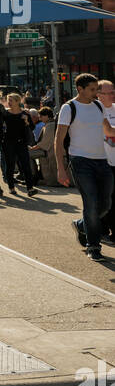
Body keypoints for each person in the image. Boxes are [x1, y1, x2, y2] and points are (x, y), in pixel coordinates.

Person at [55, 73, 115, 261]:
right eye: (92, 89)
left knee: (106, 204)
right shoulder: (69, 108)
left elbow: (107, 130)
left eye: (97, 89)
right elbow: (59, 140)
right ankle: (93, 247)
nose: (96, 93)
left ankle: (82, 225)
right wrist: (61, 168)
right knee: (91, 204)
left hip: (102, 161)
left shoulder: (98, 106)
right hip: (81, 161)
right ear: (80, 89)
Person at [1, 93, 38, 197]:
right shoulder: (5, 114)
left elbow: (32, 128)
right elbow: (0, 126)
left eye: (11, 100)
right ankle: (11, 188)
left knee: (26, 165)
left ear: (18, 102)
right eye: (8, 100)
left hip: (21, 142)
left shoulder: (25, 114)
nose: (9, 102)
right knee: (10, 166)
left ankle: (30, 188)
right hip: (8, 143)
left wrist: (26, 121)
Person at [96, 81, 115, 243]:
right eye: (108, 93)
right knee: (105, 200)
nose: (112, 95)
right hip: (101, 162)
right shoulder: (95, 110)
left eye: (113, 92)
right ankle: (100, 231)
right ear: (98, 94)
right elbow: (108, 131)